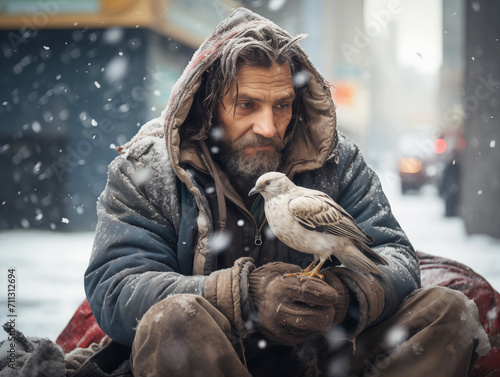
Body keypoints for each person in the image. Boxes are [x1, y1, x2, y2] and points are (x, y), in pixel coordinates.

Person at [84, 8, 489, 377]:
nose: (269, 125)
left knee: (447, 312)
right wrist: (242, 296)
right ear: (209, 107)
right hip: (208, 355)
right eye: (247, 105)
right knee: (170, 319)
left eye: (282, 105)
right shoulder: (147, 168)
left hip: (324, 356)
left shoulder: (337, 160)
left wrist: (343, 295)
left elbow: (395, 255)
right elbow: (116, 286)